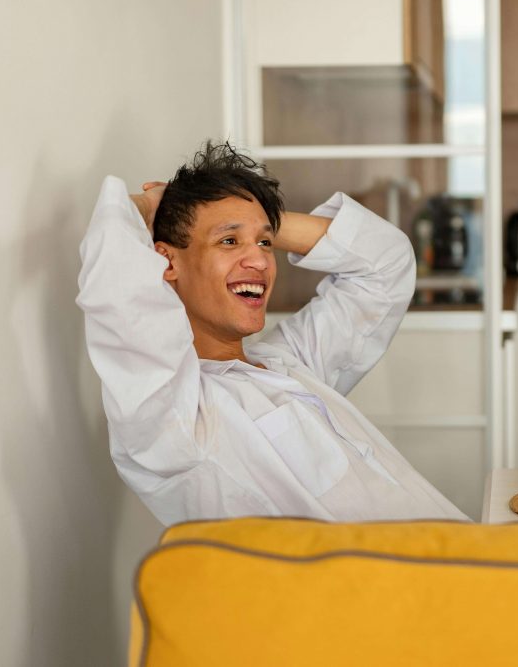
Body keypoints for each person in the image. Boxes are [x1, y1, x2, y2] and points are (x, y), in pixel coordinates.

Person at [77, 141, 468, 525]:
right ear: (166, 261)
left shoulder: (291, 362)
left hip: (467, 563)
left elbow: (385, 264)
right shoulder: (175, 416)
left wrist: (252, 220)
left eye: (266, 243)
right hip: (405, 585)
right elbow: (115, 265)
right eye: (228, 241)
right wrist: (153, 205)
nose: (261, 260)